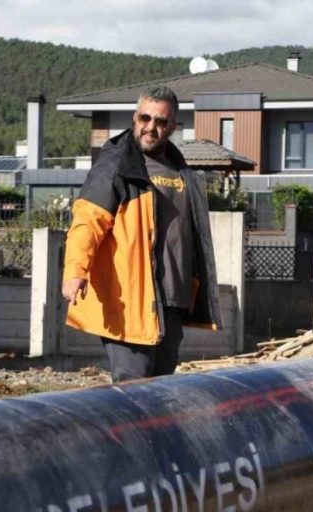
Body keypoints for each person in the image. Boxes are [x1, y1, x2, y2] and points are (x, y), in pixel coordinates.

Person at [60, 86, 221, 382]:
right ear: (135, 118)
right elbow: (87, 219)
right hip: (130, 298)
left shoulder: (181, 170)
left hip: (172, 302)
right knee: (133, 387)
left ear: (173, 125)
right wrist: (75, 270)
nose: (151, 127)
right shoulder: (118, 165)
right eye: (145, 118)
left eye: (161, 121)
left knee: (159, 389)